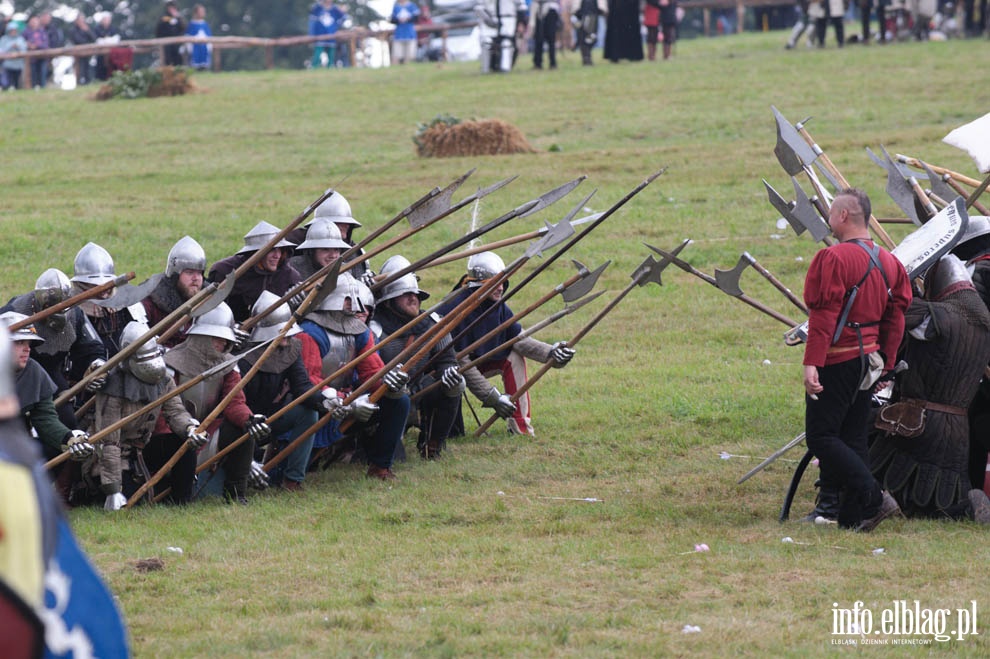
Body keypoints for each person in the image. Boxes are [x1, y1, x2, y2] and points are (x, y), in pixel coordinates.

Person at [801, 188, 912, 531]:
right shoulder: (890, 261)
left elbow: (823, 315)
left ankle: (874, 497)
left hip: (839, 359)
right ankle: (853, 516)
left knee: (821, 436)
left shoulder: (832, 258)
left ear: (844, 216)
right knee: (852, 438)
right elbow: (897, 318)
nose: (829, 219)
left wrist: (811, 362)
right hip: (870, 360)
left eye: (832, 212)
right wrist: (887, 363)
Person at [869, 255, 990, 521]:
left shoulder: (937, 316)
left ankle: (870, 497)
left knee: (878, 458)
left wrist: (903, 288)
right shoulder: (984, 323)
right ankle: (967, 508)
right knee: (941, 498)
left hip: (919, 423)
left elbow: (895, 315)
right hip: (958, 430)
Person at [437, 251, 575, 436]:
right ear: (479, 284)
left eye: (502, 282)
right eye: (494, 283)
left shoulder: (497, 305)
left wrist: (551, 353)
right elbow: (461, 363)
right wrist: (493, 397)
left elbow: (520, 340)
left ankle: (520, 427)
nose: (501, 288)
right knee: (451, 427)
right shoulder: (456, 308)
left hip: (477, 362)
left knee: (513, 357)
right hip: (447, 373)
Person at [150, 303, 269, 504]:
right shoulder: (171, 363)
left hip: (210, 433)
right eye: (216, 338)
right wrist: (186, 432)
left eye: (225, 339)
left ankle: (236, 493)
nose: (222, 344)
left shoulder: (230, 365)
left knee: (242, 431)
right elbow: (163, 413)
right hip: (176, 434)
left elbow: (234, 402)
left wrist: (248, 420)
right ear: (201, 336)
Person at [79, 320, 204, 511]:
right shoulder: (113, 386)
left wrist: (190, 428)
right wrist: (113, 490)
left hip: (142, 449)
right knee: (134, 503)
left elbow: (175, 411)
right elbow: (108, 442)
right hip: (112, 457)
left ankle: (182, 503)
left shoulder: (163, 379)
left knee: (183, 444)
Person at [298, 272, 410, 480]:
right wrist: (343, 402)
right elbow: (309, 381)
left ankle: (380, 467)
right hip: (317, 404)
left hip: (349, 401)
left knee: (398, 401)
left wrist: (388, 383)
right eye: (347, 299)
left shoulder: (360, 332)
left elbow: (372, 371)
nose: (354, 305)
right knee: (305, 466)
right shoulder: (310, 332)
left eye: (354, 300)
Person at [239, 291, 335, 491]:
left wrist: (324, 401)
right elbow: (234, 406)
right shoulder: (243, 357)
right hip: (240, 425)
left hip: (271, 418)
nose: (289, 335)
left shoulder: (290, 349)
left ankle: (292, 481)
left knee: (308, 413)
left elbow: (302, 387)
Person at [0, 312, 93, 505]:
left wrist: (69, 438)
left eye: (28, 344)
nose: (26, 350)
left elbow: (46, 419)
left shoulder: (34, 371)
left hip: (14, 443)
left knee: (55, 447)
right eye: (19, 343)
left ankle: (27, 496)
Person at [375, 267, 465, 459]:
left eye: (415, 294)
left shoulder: (432, 324)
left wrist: (449, 371)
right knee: (394, 458)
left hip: (419, 389)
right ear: (389, 301)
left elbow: (447, 359)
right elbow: (368, 369)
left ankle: (432, 444)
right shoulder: (375, 328)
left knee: (456, 383)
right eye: (405, 294)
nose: (413, 298)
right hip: (386, 395)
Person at [1, 268, 107, 430]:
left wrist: (97, 365)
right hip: (17, 375)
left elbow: (91, 348)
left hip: (52, 375)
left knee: (68, 423)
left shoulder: (76, 315)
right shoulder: (14, 311)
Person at [207, 221, 302, 323]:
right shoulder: (225, 272)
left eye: (280, 250)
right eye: (272, 250)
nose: (277, 255)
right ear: (256, 252)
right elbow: (211, 312)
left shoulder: (290, 277)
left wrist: (293, 304)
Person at [71, 242, 147, 358]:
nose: (103, 288)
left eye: (106, 283)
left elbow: (144, 338)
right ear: (82, 283)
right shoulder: (72, 311)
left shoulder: (127, 304)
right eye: (95, 285)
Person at [141, 235, 207, 348]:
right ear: (175, 275)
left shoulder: (210, 300)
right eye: (190, 272)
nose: (196, 278)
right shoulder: (150, 302)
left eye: (199, 273)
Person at [288, 217, 350, 281]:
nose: (333, 255)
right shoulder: (292, 271)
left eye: (336, 249)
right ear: (311, 251)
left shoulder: (345, 270)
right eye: (325, 249)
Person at [309, 0, 348, 68]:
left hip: (331, 37)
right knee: (317, 54)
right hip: (319, 36)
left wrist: (337, 26)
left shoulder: (335, 9)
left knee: (331, 56)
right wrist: (312, 34)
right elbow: (312, 21)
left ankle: (330, 68)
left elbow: (343, 17)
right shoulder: (317, 8)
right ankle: (314, 68)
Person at [570, 0, 606, 65]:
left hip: (592, 15)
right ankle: (586, 58)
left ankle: (586, 57)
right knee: (585, 38)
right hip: (583, 16)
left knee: (590, 38)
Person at [529, 0, 560, 69]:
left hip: (550, 9)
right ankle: (537, 63)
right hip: (538, 9)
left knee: (551, 39)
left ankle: (552, 63)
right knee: (538, 39)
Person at [69, 12, 97, 84]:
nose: (81, 22)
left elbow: (94, 39)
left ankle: (88, 81)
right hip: (78, 53)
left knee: (87, 66)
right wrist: (86, 43)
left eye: (82, 20)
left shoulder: (87, 28)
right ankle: (80, 82)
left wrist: (87, 31)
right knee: (80, 68)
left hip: (88, 52)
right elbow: (77, 40)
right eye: (80, 20)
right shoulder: (73, 30)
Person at [155, 0, 186, 67]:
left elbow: (183, 28)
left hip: (177, 43)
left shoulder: (178, 18)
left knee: (178, 59)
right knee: (167, 60)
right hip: (166, 43)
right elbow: (159, 30)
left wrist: (178, 18)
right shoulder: (163, 18)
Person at [390, 0, 420, 64]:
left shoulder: (412, 6)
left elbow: (416, 17)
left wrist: (408, 19)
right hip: (398, 35)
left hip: (410, 34)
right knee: (396, 56)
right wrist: (399, 20)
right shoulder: (396, 7)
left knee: (409, 57)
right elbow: (392, 19)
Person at [22, 15, 48, 88]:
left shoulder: (42, 31)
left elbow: (46, 44)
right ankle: (34, 88)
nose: (33, 23)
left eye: (35, 21)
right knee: (33, 74)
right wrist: (28, 45)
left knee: (42, 73)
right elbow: (21, 42)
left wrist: (36, 46)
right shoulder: (26, 32)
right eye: (32, 21)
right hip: (31, 58)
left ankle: (43, 88)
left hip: (42, 57)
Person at [92, 11, 119, 81]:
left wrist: (107, 40)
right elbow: (97, 40)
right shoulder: (97, 28)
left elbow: (116, 38)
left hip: (111, 52)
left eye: (108, 19)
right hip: (100, 52)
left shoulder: (113, 28)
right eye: (105, 19)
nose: (107, 21)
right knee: (101, 66)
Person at [185, 4, 212, 70]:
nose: (203, 13)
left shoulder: (205, 24)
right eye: (201, 11)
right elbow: (188, 36)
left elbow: (209, 35)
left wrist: (209, 45)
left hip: (204, 48)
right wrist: (189, 47)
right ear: (196, 13)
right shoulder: (192, 24)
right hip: (195, 48)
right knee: (195, 65)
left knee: (204, 65)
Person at [0, 22, 27, 90]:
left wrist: (18, 47)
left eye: (14, 30)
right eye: (11, 30)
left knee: (17, 81)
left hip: (18, 64)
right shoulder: (4, 39)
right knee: (7, 81)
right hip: (7, 64)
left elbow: (24, 50)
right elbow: (1, 50)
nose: (13, 32)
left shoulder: (20, 39)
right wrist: (10, 46)